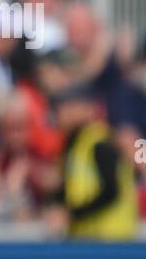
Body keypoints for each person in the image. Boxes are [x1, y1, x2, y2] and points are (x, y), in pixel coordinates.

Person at [46, 85, 138, 240]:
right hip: (87, 237)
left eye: (66, 107)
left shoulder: (99, 143)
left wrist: (71, 214)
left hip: (111, 238)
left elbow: (111, 191)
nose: (61, 114)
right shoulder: (75, 145)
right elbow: (74, 189)